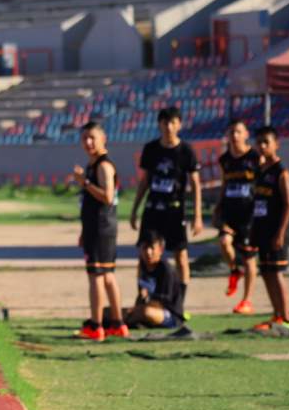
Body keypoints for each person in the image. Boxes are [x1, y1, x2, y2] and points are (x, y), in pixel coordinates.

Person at [130, 106, 202, 312]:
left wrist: (197, 216)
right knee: (145, 253)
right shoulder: (151, 149)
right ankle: (143, 296)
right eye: (164, 123)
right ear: (159, 125)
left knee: (180, 256)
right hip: (153, 209)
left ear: (179, 124)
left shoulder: (186, 151)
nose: (168, 127)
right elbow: (145, 181)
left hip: (175, 210)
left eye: (172, 122)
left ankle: (179, 304)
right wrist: (135, 209)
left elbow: (195, 184)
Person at [71, 122, 127, 341]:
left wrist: (84, 182)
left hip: (102, 227)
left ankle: (96, 326)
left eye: (92, 137)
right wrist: (84, 231)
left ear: (103, 139)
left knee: (96, 276)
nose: (88, 142)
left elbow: (107, 197)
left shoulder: (104, 166)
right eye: (84, 138)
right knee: (108, 275)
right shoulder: (93, 164)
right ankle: (117, 323)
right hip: (97, 227)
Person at [244, 127, 289, 332]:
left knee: (276, 274)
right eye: (259, 143)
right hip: (261, 229)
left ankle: (287, 318)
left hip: (275, 231)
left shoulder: (281, 171)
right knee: (266, 272)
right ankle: (276, 316)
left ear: (277, 144)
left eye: (267, 142)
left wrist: (280, 233)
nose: (262, 146)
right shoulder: (260, 170)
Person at [216, 119, 259, 314]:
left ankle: (247, 300)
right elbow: (225, 182)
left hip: (249, 214)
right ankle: (235, 269)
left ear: (246, 134)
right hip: (229, 210)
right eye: (231, 132)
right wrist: (218, 204)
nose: (235, 136)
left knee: (249, 257)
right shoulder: (225, 159)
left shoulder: (255, 157)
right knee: (224, 242)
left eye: (238, 132)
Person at [126, 229, 185, 329]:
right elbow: (141, 294)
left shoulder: (166, 269)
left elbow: (166, 300)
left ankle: (123, 323)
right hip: (147, 308)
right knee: (112, 311)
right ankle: (125, 321)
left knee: (145, 312)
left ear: (160, 249)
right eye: (145, 248)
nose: (148, 252)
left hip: (170, 315)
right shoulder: (142, 267)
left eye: (152, 248)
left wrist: (147, 299)